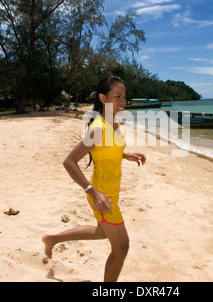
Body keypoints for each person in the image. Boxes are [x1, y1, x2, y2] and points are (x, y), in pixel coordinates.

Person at [42, 75, 146, 282]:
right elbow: (69, 162)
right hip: (101, 195)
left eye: (124, 96)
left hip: (112, 192)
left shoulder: (113, 123)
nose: (123, 101)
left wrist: (126, 155)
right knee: (122, 247)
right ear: (103, 97)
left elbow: (106, 150)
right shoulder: (98, 128)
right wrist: (92, 191)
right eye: (117, 96)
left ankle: (51, 239)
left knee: (102, 232)